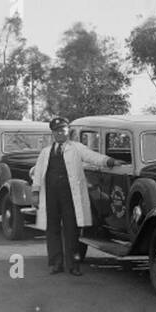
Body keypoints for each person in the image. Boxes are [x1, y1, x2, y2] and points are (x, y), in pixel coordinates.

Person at [31, 116, 124, 274]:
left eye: (63, 130)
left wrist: (109, 161)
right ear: (53, 133)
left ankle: (73, 265)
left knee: (71, 229)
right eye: (57, 131)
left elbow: (92, 157)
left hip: (69, 196)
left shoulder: (76, 148)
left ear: (68, 131)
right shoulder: (46, 152)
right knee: (52, 228)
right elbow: (38, 173)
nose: (60, 133)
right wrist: (35, 192)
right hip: (51, 196)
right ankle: (56, 263)